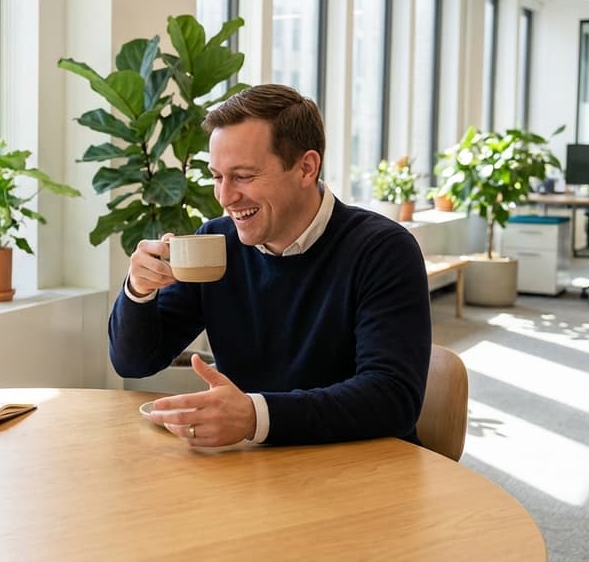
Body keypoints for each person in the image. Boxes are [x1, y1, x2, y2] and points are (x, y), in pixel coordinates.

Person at [110, 83, 431, 448]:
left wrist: (255, 416)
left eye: (243, 176)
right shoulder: (216, 243)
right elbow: (134, 363)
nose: (225, 197)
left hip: (368, 466)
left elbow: (392, 397)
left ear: (306, 168)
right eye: (217, 176)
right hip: (255, 463)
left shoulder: (382, 250)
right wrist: (138, 290)